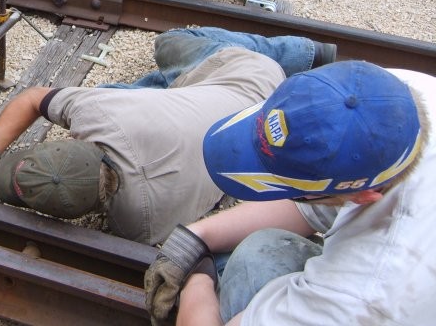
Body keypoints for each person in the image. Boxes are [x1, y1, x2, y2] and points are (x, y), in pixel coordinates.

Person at [0, 27, 336, 245]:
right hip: (242, 94)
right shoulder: (100, 113)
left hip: (243, 73)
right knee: (167, 46)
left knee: (171, 42)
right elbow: (34, 99)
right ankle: (296, 59)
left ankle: (300, 52)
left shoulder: (139, 228)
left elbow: (30, 99)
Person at [144, 60, 434, 326]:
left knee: (257, 261)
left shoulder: (364, 296)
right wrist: (196, 237)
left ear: (364, 196)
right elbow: (311, 207)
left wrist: (197, 278)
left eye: (295, 189)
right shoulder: (393, 97)